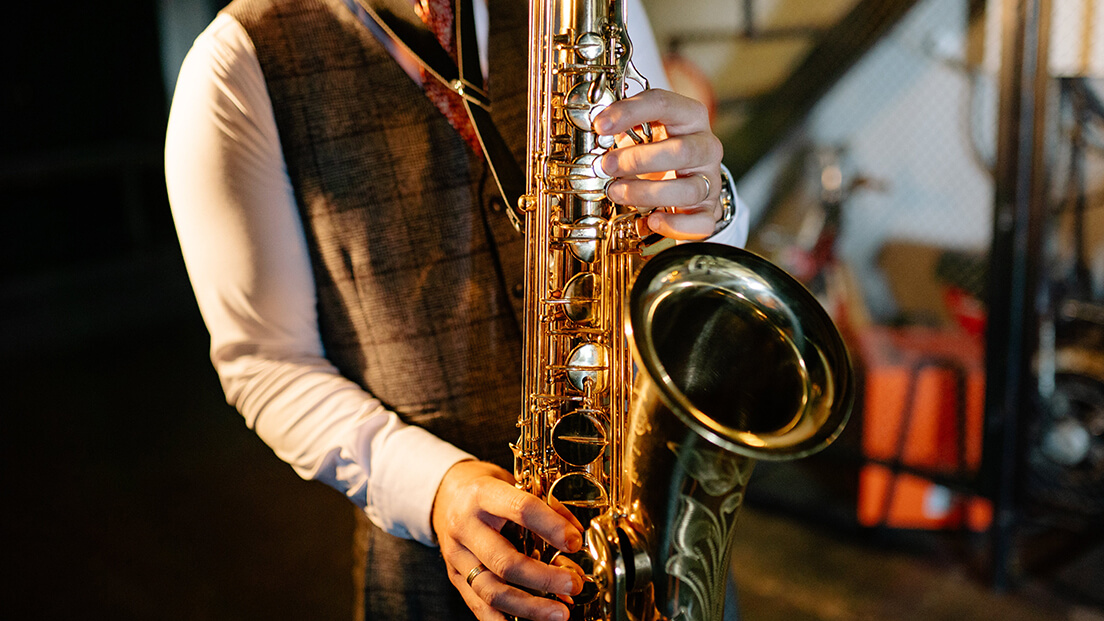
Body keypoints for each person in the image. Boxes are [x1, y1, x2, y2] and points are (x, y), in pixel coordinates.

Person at [165, 0, 748, 619]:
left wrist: (710, 200)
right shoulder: (235, 62)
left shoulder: (589, 13)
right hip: (439, 579)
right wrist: (436, 488)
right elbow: (265, 364)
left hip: (654, 552)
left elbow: (677, 234)